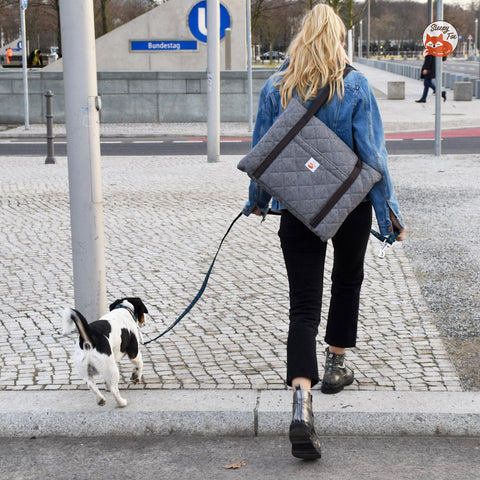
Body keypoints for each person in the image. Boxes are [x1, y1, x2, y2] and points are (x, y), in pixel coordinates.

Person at [242, 4, 406, 460]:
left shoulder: (274, 87)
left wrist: (257, 202)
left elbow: (263, 153)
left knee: (303, 304)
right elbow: (374, 159)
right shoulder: (354, 86)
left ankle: (301, 401)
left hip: (297, 206)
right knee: (347, 279)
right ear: (337, 38)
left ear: (300, 38)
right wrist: (387, 216)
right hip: (348, 206)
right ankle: (335, 365)